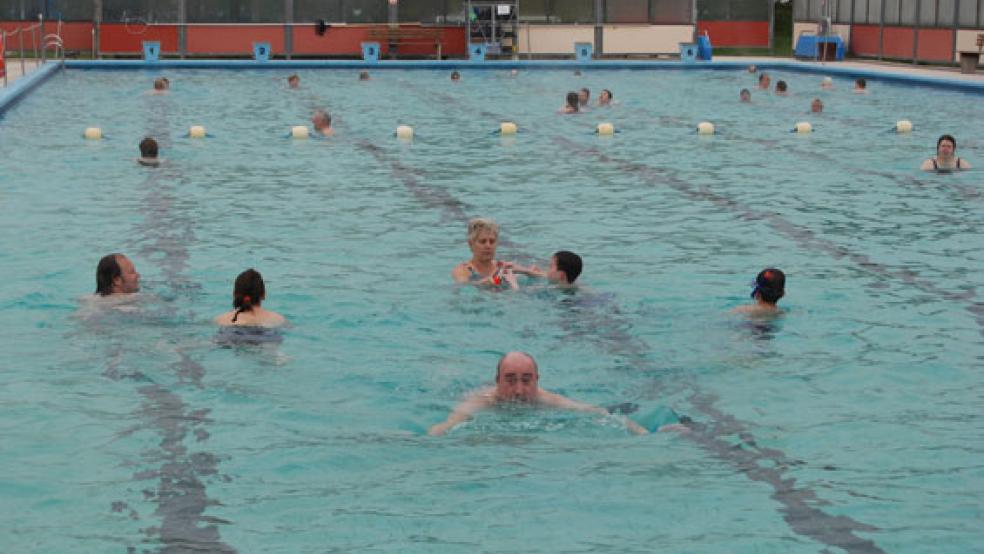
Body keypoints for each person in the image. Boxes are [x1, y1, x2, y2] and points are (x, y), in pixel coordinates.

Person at [427, 352, 649, 436]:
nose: (519, 390)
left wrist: (640, 432)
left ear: (537, 381)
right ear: (497, 382)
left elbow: (596, 413)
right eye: (510, 380)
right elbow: (447, 425)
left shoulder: (547, 399)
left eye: (526, 380)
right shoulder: (482, 401)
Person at [452, 218, 518, 288]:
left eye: (492, 241)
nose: (488, 246)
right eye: (483, 241)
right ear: (471, 244)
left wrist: (528, 272)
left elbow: (522, 270)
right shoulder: (463, 270)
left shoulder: (501, 266)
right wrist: (483, 283)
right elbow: (462, 286)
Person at [214, 269, 286, 327]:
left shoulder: (222, 320)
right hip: (264, 336)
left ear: (234, 294)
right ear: (263, 294)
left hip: (231, 335)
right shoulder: (277, 319)